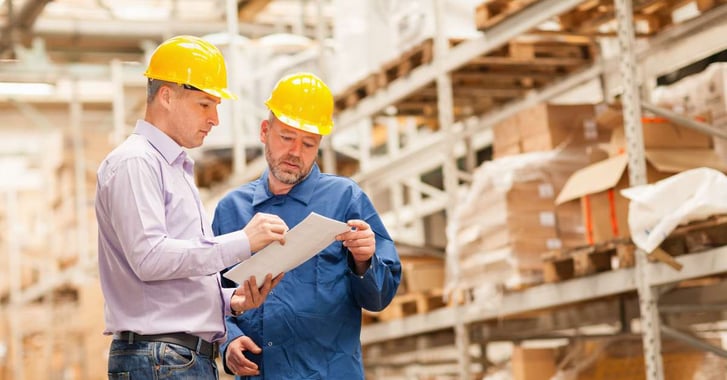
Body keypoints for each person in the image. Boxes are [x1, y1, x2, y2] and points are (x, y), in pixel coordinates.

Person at [95, 35, 288, 379]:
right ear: (167, 96)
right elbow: (150, 258)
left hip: (175, 357)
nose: (215, 118)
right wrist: (243, 241)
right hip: (162, 358)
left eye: (217, 105)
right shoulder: (136, 162)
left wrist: (230, 301)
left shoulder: (174, 168)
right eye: (204, 104)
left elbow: (173, 277)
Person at [212, 72, 402, 379]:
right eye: (286, 137)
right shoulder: (231, 211)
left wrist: (365, 260)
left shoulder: (346, 199)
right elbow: (209, 294)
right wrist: (228, 340)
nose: (295, 153)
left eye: (309, 143)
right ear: (264, 131)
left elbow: (379, 299)